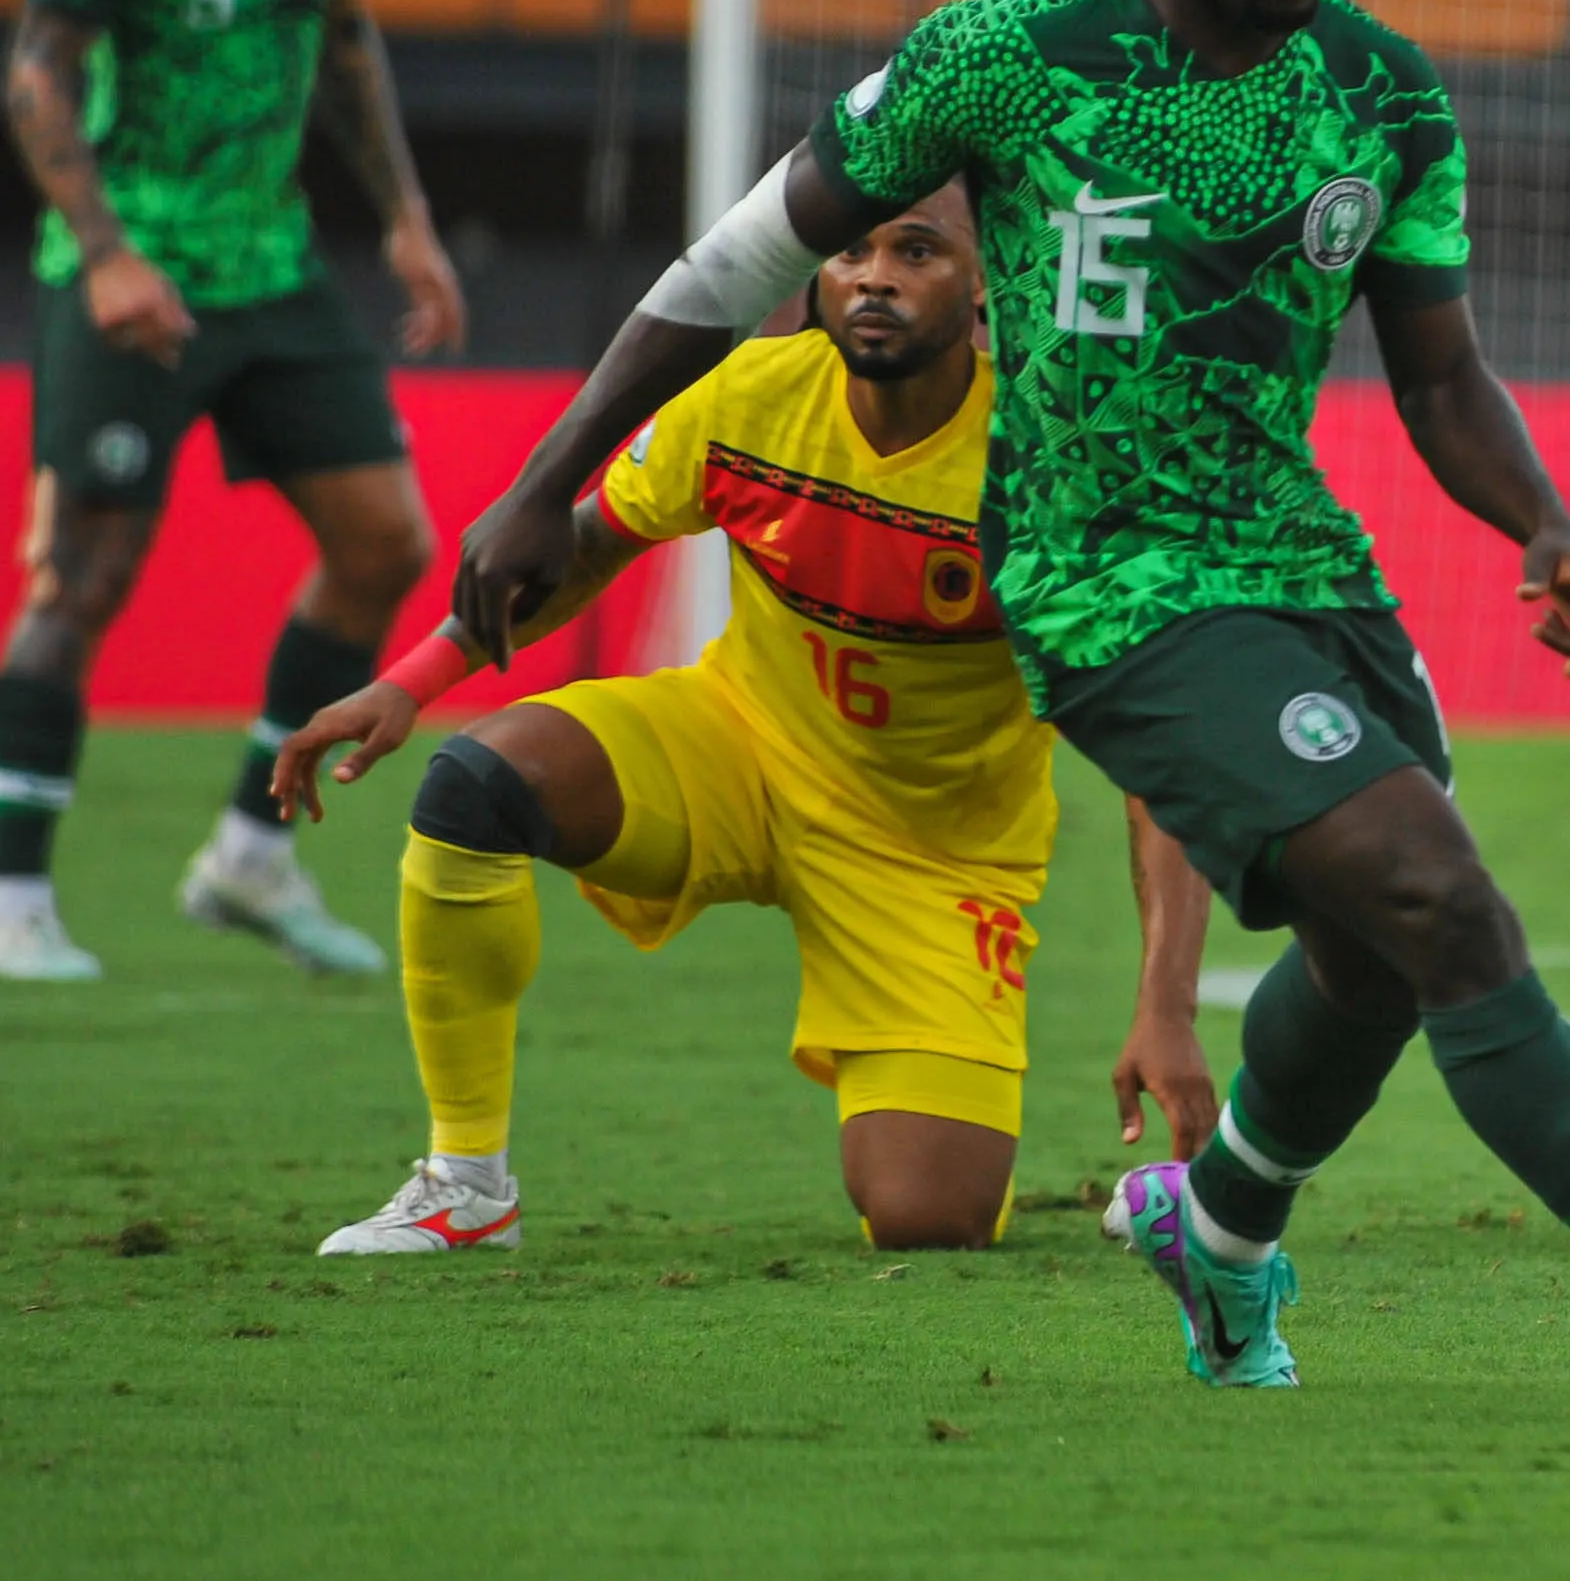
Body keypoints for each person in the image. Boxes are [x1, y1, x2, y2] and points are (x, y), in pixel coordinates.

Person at [444, 0, 1570, 1421]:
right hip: (1103, 579)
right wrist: (549, 483)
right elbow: (734, 263)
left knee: (1371, 954)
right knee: (1443, 899)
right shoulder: (1004, 55)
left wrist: (1536, 516)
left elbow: (1437, 368)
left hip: (1299, 564)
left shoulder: (1379, 92)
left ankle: (1217, 1239)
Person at [276, 185, 1207, 1254]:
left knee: (926, 1218)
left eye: (917, 250)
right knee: (476, 783)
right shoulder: (750, 393)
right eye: (851, 249)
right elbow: (583, 550)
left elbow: (1158, 759)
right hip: (738, 750)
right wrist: (411, 680)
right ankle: (465, 1184)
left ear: (989, 273)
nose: (873, 276)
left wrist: (1164, 1004)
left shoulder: (1050, 466)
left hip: (934, 854)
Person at [0, 0, 466, 984]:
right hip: (134, 262)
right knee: (90, 570)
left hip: (276, 258)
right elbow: (35, 70)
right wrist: (110, 251)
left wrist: (408, 220)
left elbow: (347, 35)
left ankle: (250, 853)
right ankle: (13, 903)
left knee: (385, 542)